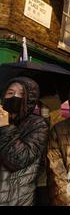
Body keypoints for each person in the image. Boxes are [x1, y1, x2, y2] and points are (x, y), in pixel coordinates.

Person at [0, 77, 49, 206]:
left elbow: (19, 160)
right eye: (10, 93)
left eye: (22, 94)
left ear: (30, 100)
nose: (15, 96)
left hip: (16, 199)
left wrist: (5, 127)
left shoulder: (38, 124)